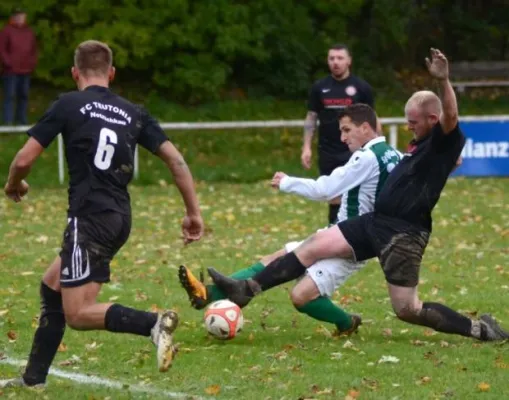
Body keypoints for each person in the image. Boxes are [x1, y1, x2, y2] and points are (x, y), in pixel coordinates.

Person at [207, 48, 509, 342]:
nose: (408, 127)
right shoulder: (420, 144)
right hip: (376, 221)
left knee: (407, 308)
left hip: (404, 234)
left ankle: (477, 329)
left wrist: (442, 81)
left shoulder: (443, 142)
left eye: (413, 122)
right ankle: (245, 290)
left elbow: (452, 116)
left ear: (432, 119)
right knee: (314, 243)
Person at [0, 40, 204, 389]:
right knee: (53, 286)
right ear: (111, 73)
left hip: (89, 218)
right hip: (118, 218)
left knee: (78, 313)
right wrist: (193, 213)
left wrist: (14, 184)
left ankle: (154, 324)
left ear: (75, 72)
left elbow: (22, 160)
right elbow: (176, 160)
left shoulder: (68, 103)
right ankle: (33, 380)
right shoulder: (134, 112)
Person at [179, 103, 401, 335]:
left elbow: (326, 190)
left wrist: (287, 182)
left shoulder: (366, 157)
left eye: (346, 130)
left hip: (351, 244)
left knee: (301, 297)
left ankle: (347, 322)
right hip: (340, 234)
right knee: (277, 257)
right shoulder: (394, 154)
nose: (342, 137)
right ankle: (207, 293)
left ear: (365, 128)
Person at [302, 44, 378, 225]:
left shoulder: (361, 88)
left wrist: (377, 146)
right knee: (333, 195)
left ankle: (357, 231)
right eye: (331, 58)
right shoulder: (319, 88)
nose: (335, 62)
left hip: (354, 151)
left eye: (340, 58)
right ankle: (334, 230)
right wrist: (306, 147)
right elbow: (311, 117)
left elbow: (372, 118)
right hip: (328, 151)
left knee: (356, 193)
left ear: (349, 61)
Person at [0, 8, 38, 125]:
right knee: (10, 96)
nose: (20, 18)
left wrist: (32, 63)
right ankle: (8, 121)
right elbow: (2, 49)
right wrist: (8, 63)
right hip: (10, 71)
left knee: (24, 96)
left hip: (26, 69)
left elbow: (33, 49)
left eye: (22, 16)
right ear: (13, 17)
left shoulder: (29, 31)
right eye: (18, 16)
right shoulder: (7, 31)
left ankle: (22, 120)